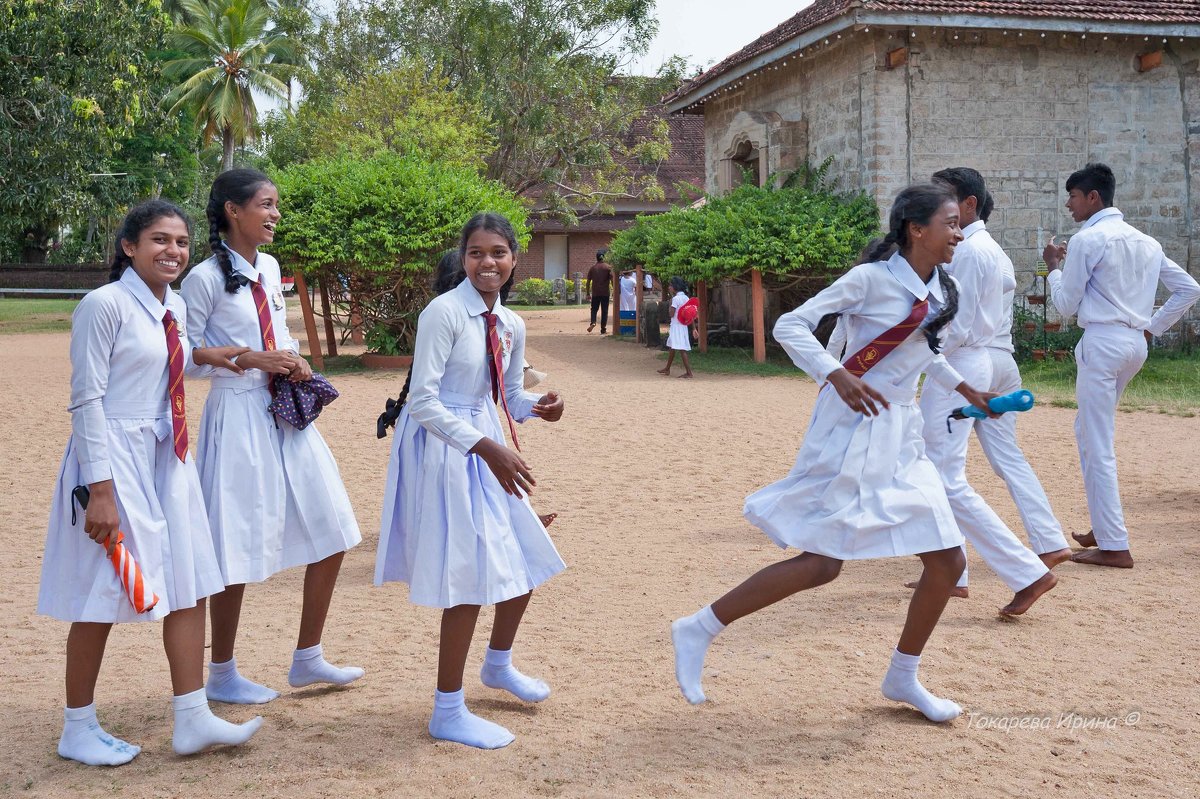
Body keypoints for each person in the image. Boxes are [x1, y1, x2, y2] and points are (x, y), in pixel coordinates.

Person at [672, 184, 999, 722]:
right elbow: (790, 325)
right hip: (851, 426)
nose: (959, 233)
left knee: (947, 559)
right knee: (823, 564)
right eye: (950, 223)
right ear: (917, 229)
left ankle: (903, 676)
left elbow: (923, 354)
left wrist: (968, 391)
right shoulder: (870, 280)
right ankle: (699, 627)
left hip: (902, 434)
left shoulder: (943, 288)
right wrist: (836, 373)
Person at [39, 200, 264, 765]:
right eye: (160, 240)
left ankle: (192, 716)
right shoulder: (104, 305)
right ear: (129, 247)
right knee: (100, 590)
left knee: (188, 581)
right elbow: (86, 398)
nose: (174, 251)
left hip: (169, 454)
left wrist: (238, 357)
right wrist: (102, 490)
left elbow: (177, 359)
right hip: (115, 458)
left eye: (182, 242)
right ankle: (77, 726)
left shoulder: (176, 306)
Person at [375, 213, 567, 749]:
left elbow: (504, 392)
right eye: (478, 253)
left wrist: (538, 407)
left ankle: (498, 664)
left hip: (485, 439)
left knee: (527, 552)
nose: (489, 263)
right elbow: (424, 401)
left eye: (499, 253)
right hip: (447, 447)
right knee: (468, 574)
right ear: (464, 258)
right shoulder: (444, 313)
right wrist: (487, 448)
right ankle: (447, 710)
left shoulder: (511, 323)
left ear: (514, 259)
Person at [181, 168, 363, 705]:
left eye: (276, 204)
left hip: (285, 411)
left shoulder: (271, 267)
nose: (275, 214)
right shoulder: (202, 279)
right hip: (236, 416)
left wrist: (294, 360)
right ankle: (222, 671)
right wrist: (245, 359)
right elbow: (183, 358)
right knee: (233, 544)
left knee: (333, 527)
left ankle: (308, 658)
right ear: (233, 211)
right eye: (266, 204)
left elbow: (277, 333)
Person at [903, 167, 1061, 616]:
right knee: (941, 472)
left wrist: (918, 353)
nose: (941, 210)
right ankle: (956, 572)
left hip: (962, 361)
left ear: (968, 204)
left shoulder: (971, 252)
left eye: (946, 201)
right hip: (973, 360)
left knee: (946, 478)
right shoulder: (986, 249)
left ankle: (1025, 571)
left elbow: (957, 324)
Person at [1043, 163, 1200, 568]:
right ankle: (1104, 523)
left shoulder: (1088, 239)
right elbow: (1189, 289)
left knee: (1096, 441)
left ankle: (1114, 545)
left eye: (1073, 196)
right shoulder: (1145, 241)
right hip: (1134, 345)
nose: (1069, 203)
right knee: (1089, 431)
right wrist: (1151, 328)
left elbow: (1064, 305)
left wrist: (1053, 269)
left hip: (1103, 343)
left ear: (1093, 197)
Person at [658, 276, 695, 378]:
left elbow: (671, 314)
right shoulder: (686, 298)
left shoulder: (675, 299)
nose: (669, 287)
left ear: (675, 287)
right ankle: (667, 368)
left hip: (676, 326)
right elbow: (690, 314)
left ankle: (689, 372)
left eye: (670, 285)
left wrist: (670, 304)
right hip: (683, 326)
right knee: (672, 347)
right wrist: (694, 328)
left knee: (681, 349)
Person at [586, 248, 612, 334]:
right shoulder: (608, 267)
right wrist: (615, 290)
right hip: (605, 293)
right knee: (604, 311)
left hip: (595, 293)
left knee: (594, 309)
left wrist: (587, 293)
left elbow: (588, 281)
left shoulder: (593, 268)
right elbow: (612, 280)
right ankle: (603, 329)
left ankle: (593, 322)